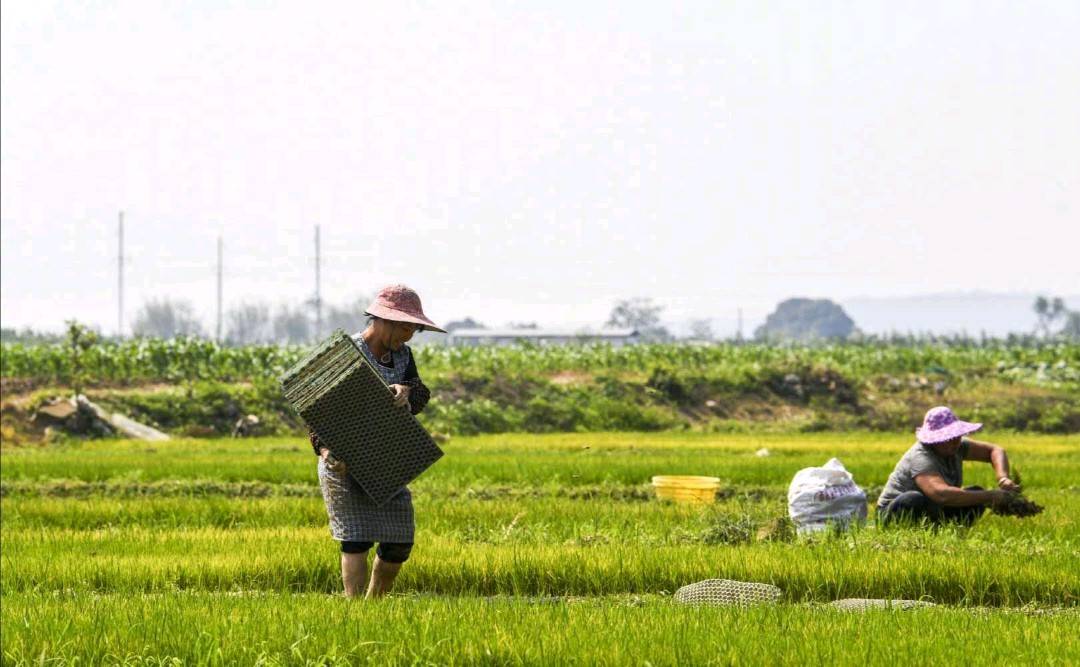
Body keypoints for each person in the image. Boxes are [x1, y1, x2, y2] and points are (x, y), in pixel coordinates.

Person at [308, 285, 446, 597]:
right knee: (356, 540)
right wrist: (327, 450)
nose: (408, 336)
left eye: (413, 329)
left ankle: (374, 606)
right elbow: (316, 408)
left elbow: (420, 392)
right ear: (383, 320)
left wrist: (407, 392)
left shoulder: (403, 356)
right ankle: (356, 613)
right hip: (343, 461)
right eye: (406, 328)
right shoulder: (346, 354)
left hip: (384, 458)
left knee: (399, 542)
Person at [876, 406, 1020, 527]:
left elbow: (994, 451)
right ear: (934, 440)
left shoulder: (957, 446)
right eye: (948, 438)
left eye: (956, 436)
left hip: (933, 509)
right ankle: (909, 535)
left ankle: (947, 532)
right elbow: (941, 494)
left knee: (975, 494)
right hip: (893, 512)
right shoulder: (921, 457)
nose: (955, 441)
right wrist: (990, 496)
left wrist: (1003, 478)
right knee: (913, 498)